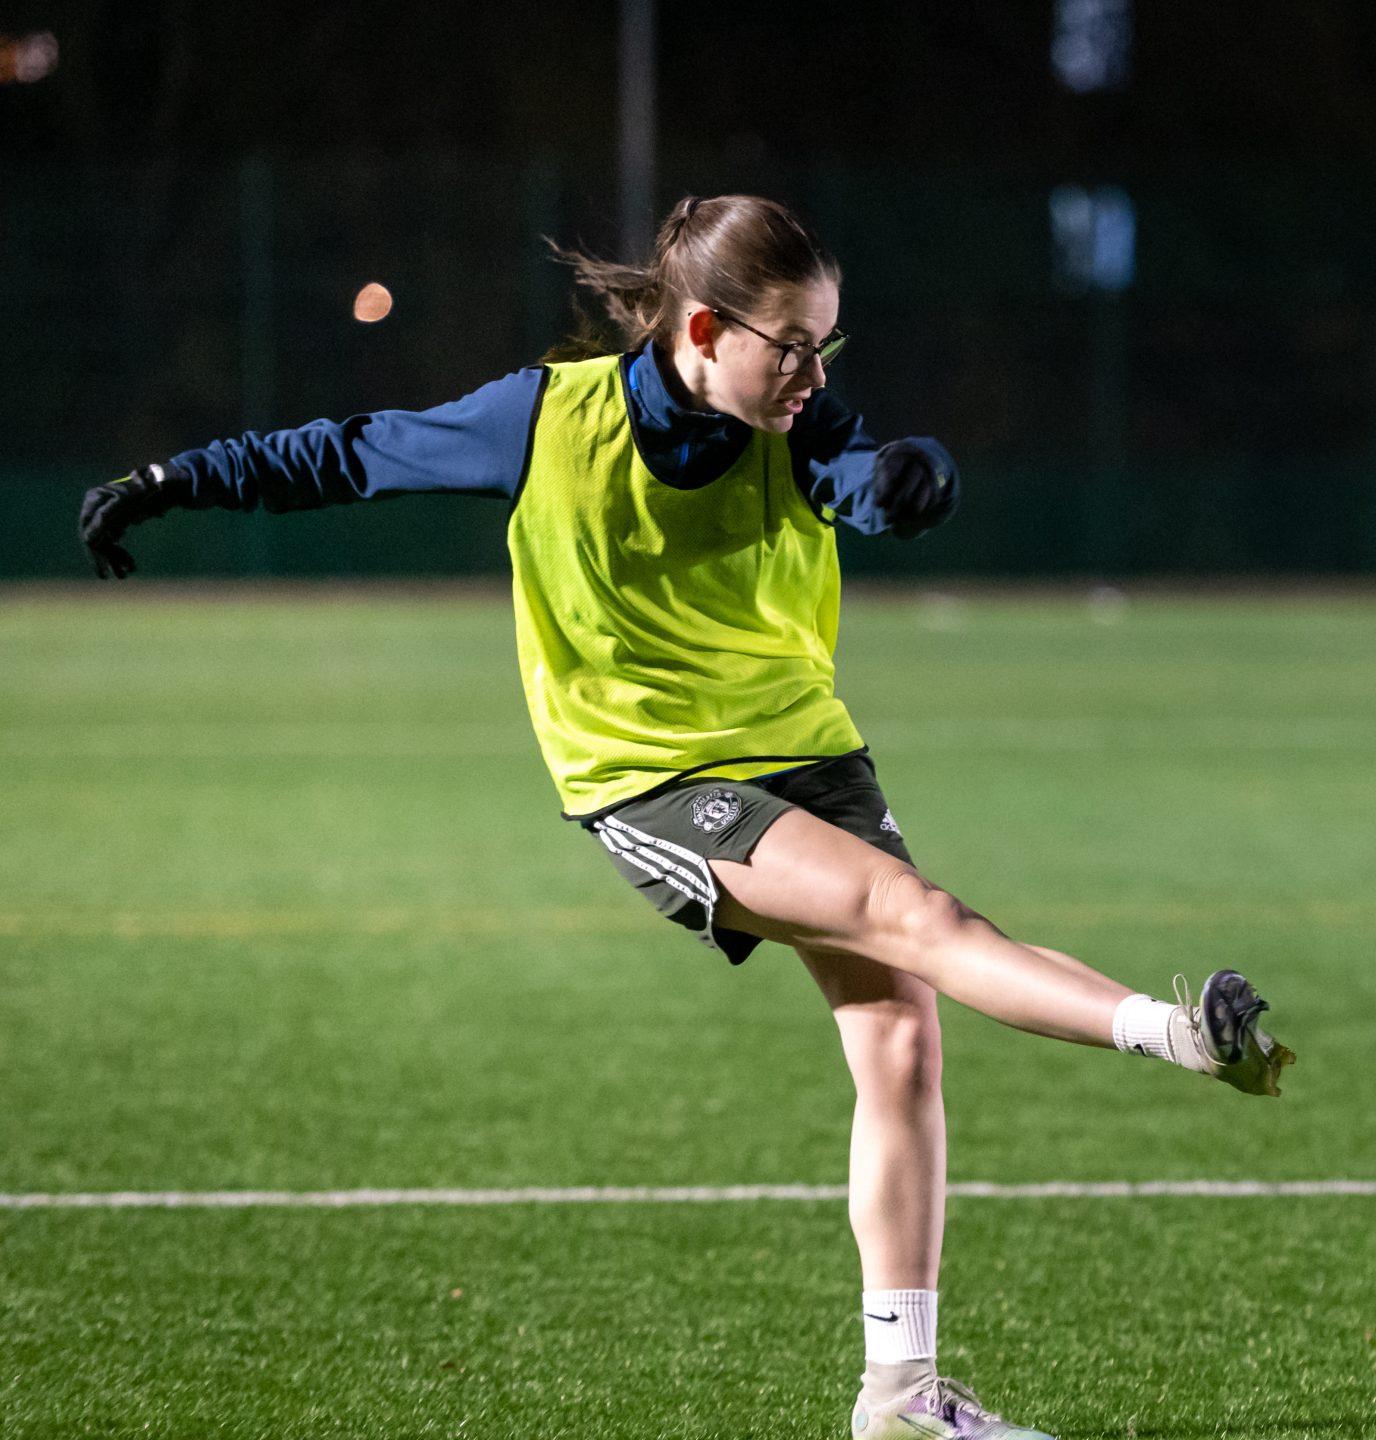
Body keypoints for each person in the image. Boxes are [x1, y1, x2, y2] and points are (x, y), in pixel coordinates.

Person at [76, 193, 1294, 1440]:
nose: (814, 376)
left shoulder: (801, 417)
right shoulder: (546, 421)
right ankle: (1173, 1032)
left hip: (809, 752)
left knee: (900, 1038)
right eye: (793, 346)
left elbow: (851, 478)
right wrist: (168, 481)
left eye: (828, 348)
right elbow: (347, 448)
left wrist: (897, 487)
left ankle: (900, 1398)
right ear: (705, 328)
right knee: (909, 915)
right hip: (650, 775)